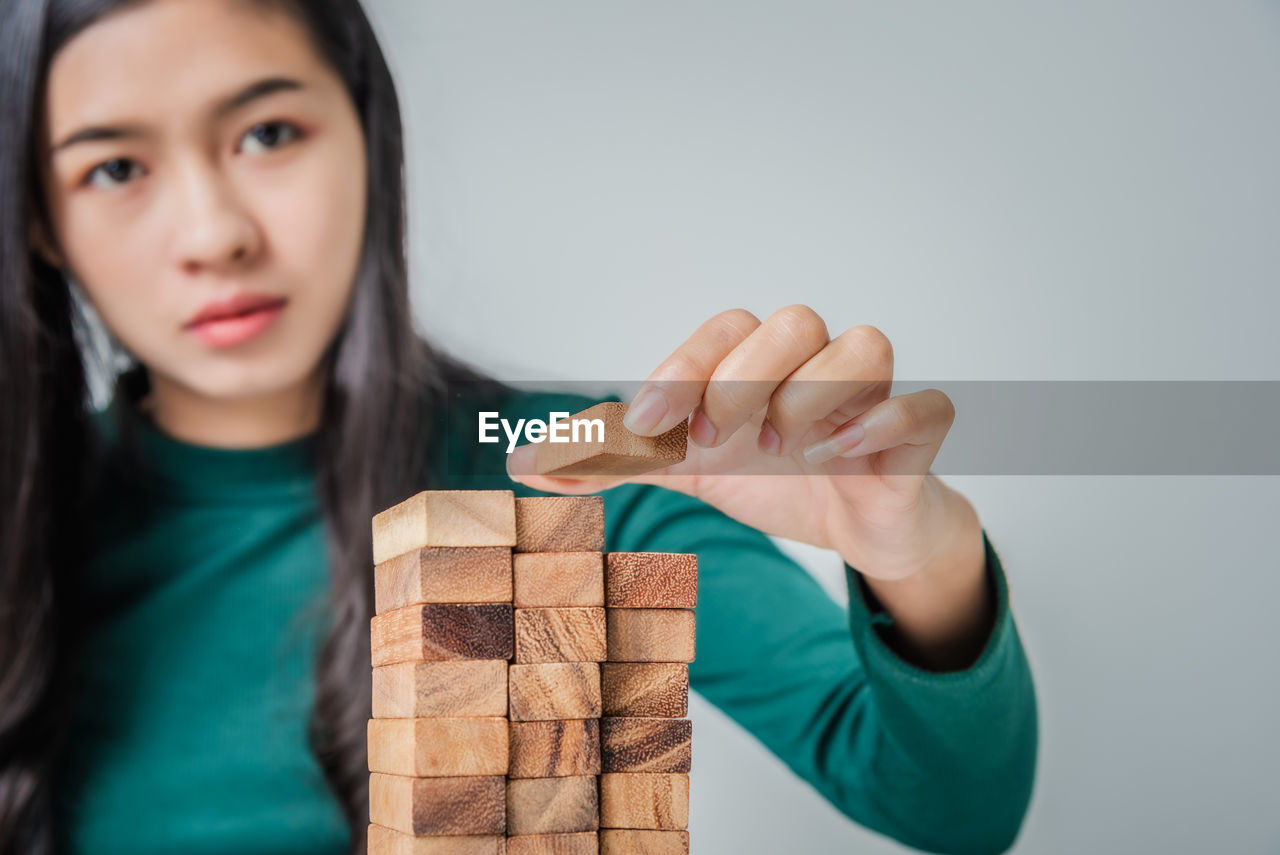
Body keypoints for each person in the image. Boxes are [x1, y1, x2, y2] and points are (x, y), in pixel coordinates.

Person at [0, 0, 1038, 853]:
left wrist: (920, 558)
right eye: (115, 168)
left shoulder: (571, 470)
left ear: (366, 137)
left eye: (268, 133)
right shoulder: (22, 525)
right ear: (41, 218)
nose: (214, 233)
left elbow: (947, 808)